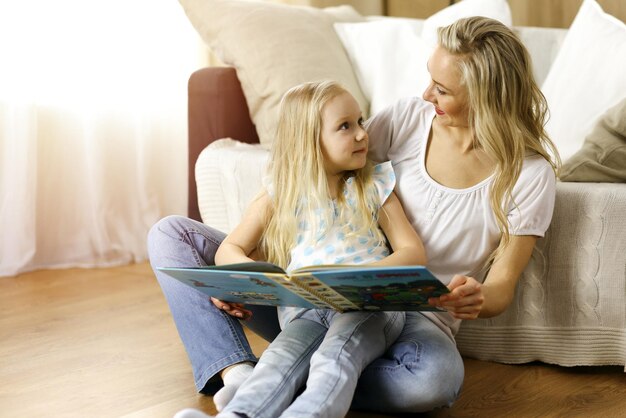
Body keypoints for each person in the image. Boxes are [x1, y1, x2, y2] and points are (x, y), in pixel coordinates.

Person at [148, 16, 560, 415]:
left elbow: (502, 286)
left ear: (486, 96)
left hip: (412, 317)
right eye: (429, 79)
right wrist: (238, 277)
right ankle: (238, 372)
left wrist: (476, 297)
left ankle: (279, 383)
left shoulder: (528, 175)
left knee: (432, 382)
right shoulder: (407, 120)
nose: (425, 95)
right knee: (171, 236)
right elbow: (320, 163)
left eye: (441, 89)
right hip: (307, 297)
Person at [182, 80, 426, 418]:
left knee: (334, 359)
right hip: (305, 308)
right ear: (308, 141)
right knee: (277, 364)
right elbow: (230, 248)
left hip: (368, 305)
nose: (361, 134)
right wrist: (258, 277)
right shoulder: (281, 193)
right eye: (345, 126)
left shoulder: (373, 184)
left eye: (360, 121)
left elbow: (413, 252)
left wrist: (355, 277)